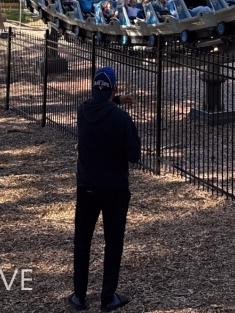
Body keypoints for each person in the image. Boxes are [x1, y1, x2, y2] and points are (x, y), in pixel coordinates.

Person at [70, 67, 140, 312]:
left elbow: (97, 104)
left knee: (82, 241)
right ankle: (107, 297)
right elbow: (134, 156)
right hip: (115, 190)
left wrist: (115, 100)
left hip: (86, 186)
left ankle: (79, 296)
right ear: (114, 89)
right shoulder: (122, 119)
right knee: (113, 242)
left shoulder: (82, 112)